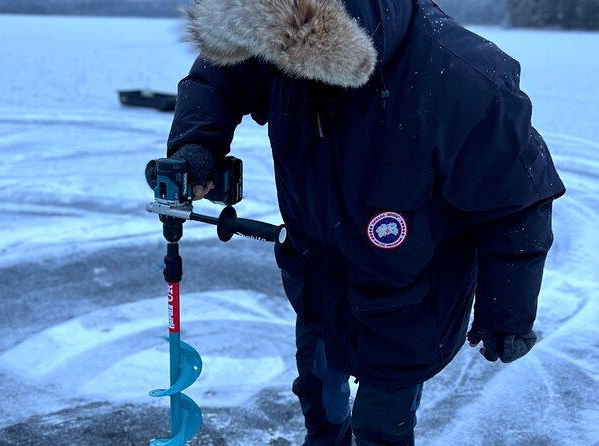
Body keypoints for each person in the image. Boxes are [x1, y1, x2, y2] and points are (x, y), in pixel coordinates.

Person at [164, 0, 566, 444]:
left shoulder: (462, 80)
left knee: (382, 425)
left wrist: (506, 313)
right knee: (319, 398)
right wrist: (197, 143)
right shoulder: (274, 34)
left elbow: (516, 204)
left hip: (411, 302)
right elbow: (217, 79)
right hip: (317, 279)